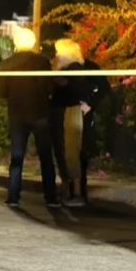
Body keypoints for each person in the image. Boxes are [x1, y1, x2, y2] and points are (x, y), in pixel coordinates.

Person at [0, 26, 58, 207]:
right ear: (33, 43)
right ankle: (51, 197)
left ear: (16, 43)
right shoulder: (42, 63)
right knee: (46, 157)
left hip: (17, 114)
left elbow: (3, 92)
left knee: (17, 157)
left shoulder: (7, 63)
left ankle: (13, 197)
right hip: (40, 114)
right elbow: (50, 88)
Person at [49, 39, 109, 207]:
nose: (56, 55)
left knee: (74, 154)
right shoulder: (61, 69)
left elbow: (103, 88)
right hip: (59, 113)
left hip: (73, 114)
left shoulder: (85, 68)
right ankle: (68, 190)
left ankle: (76, 192)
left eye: (59, 51)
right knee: (64, 152)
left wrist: (90, 104)